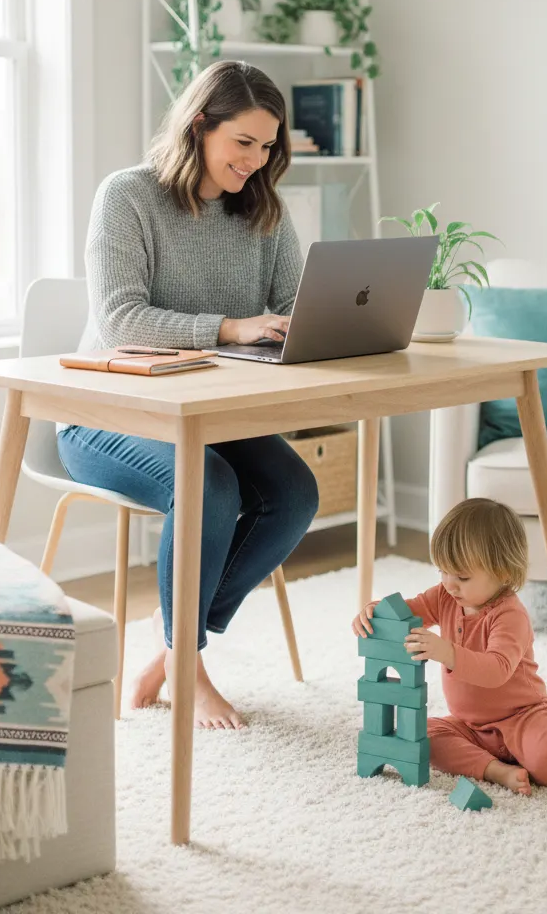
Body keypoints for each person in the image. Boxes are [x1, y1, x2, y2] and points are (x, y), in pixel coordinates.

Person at [59, 60, 319, 730]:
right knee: (210, 486)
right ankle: (189, 662)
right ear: (200, 126)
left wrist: (325, 325)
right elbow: (120, 319)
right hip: (104, 415)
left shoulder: (263, 211)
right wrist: (232, 327)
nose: (256, 162)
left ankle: (174, 632)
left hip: (209, 412)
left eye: (268, 148)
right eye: (243, 143)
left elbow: (294, 305)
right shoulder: (128, 196)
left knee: (294, 493)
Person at [352, 497, 547, 793]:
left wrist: (445, 651)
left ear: (502, 573)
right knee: (421, 736)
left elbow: (496, 670)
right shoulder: (446, 596)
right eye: (442, 571)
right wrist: (376, 612)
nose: (449, 583)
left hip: (522, 717)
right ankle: (495, 769)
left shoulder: (510, 615)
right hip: (470, 725)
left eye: (462, 575)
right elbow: (410, 609)